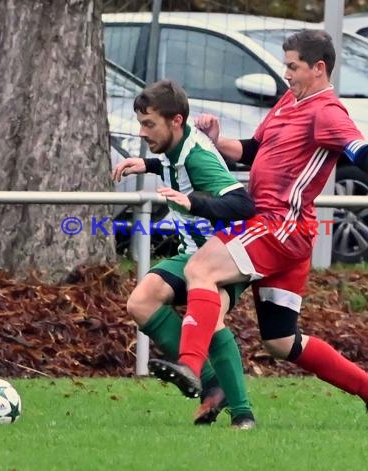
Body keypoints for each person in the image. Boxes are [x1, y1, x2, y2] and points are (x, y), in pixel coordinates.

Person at [148, 30, 368, 428]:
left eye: (292, 66)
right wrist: (217, 141)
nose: (286, 73)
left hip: (278, 226)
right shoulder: (288, 102)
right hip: (286, 235)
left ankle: (191, 366)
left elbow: (361, 151)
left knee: (200, 270)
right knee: (281, 342)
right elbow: (254, 150)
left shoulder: (326, 111)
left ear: (318, 68)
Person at [112, 80, 256, 429]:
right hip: (192, 254)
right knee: (141, 302)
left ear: (175, 121)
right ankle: (211, 383)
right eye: (141, 123)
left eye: (149, 124)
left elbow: (242, 203)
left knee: (211, 319)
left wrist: (194, 203)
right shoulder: (176, 149)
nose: (142, 132)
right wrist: (145, 164)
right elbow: (172, 167)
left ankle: (243, 415)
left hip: (226, 256)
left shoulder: (198, 156)